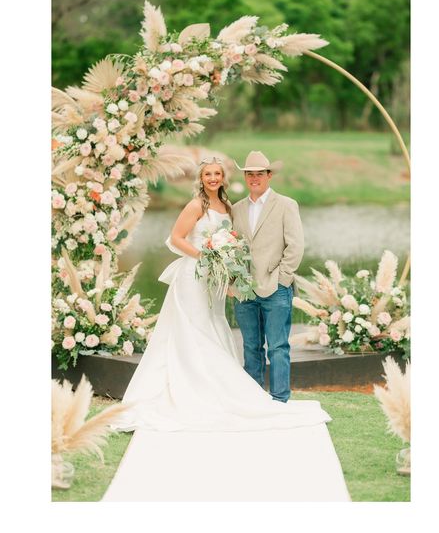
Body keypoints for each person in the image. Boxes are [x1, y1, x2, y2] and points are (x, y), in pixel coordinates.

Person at [109, 157, 330, 433]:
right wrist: (206, 255)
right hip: (194, 276)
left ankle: (260, 396)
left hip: (220, 282)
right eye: (207, 174)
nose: (212, 178)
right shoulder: (198, 205)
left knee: (224, 330)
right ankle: (192, 390)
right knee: (195, 330)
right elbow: (175, 238)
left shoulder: (229, 208)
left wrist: (232, 272)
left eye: (217, 174)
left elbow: (266, 245)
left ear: (224, 178)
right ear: (200, 179)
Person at [232, 151, 304, 403]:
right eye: (249, 174)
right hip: (244, 292)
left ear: (269, 175)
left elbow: (295, 247)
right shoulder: (236, 209)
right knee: (251, 348)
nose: (254, 178)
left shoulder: (286, 205)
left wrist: (282, 279)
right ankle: (254, 400)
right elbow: (231, 248)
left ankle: (279, 400)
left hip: (276, 288)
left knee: (278, 348)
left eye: (259, 174)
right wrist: (234, 284)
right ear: (245, 176)